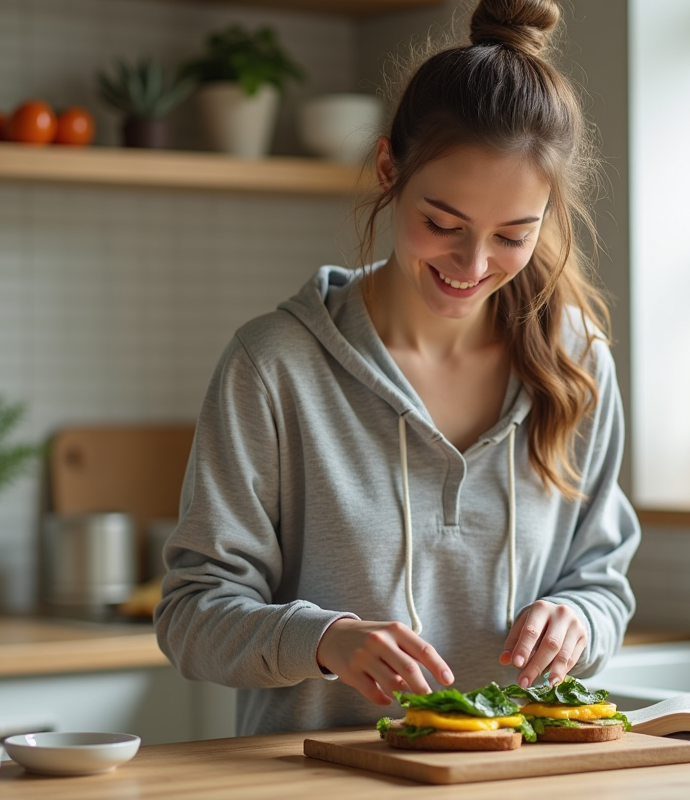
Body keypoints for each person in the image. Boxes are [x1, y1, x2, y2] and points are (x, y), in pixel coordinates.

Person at [155, 0, 640, 736]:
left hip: (518, 783)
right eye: (442, 224)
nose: (472, 266)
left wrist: (579, 619)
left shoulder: (577, 366)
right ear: (388, 168)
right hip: (313, 785)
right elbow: (191, 614)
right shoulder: (274, 367)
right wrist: (321, 640)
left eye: (513, 235)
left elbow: (603, 582)